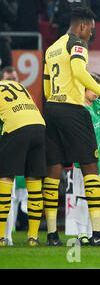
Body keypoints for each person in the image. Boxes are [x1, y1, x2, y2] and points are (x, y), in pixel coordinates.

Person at [42, 6, 100, 246]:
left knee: (54, 169)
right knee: (90, 166)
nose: (91, 36)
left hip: (51, 107)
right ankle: (96, 233)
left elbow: (45, 85)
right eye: (91, 31)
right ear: (83, 26)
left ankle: (53, 234)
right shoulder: (77, 43)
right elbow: (78, 71)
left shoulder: (52, 48)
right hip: (72, 110)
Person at [71, 72, 100, 246]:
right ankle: (81, 234)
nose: (97, 91)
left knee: (97, 198)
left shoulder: (99, 104)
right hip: (82, 161)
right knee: (82, 198)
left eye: (99, 87)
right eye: (93, 88)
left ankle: (95, 233)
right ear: (83, 88)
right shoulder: (78, 108)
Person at [0, 77, 46, 246]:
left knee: (5, 177)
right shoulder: (18, 85)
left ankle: (1, 238)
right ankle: (33, 237)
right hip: (39, 126)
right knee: (34, 181)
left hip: (16, 127)